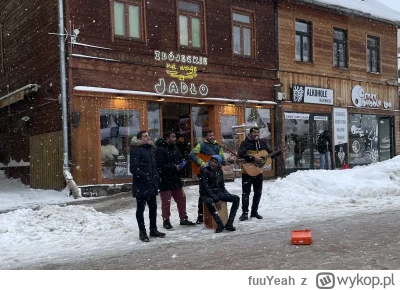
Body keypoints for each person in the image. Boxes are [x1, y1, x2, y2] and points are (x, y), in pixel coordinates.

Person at [155, 131, 196, 230]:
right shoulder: (160, 150)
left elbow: (179, 159)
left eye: (175, 137)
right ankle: (166, 221)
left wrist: (182, 163)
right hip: (164, 180)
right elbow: (159, 166)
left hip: (176, 179)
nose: (175, 139)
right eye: (173, 137)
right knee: (166, 201)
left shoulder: (176, 148)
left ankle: (183, 218)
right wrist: (174, 167)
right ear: (167, 138)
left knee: (181, 198)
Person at [130, 130, 166, 242]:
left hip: (151, 184)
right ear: (140, 139)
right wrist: (145, 176)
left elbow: (153, 166)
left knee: (153, 208)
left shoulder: (150, 149)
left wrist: (156, 177)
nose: (148, 137)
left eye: (148, 136)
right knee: (140, 209)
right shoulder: (136, 150)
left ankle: (153, 229)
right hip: (141, 185)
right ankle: (142, 232)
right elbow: (133, 168)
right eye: (145, 136)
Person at [238, 127, 279, 221]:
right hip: (247, 172)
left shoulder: (262, 143)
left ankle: (254, 212)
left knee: (258, 193)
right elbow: (240, 153)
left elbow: (269, 154)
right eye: (254, 132)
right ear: (250, 133)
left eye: (258, 132)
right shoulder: (245, 143)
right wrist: (253, 158)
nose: (256, 134)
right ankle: (244, 213)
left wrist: (278, 152)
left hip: (258, 171)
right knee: (246, 193)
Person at [188, 129, 225, 224]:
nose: (212, 137)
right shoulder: (201, 145)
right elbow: (191, 154)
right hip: (204, 173)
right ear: (206, 137)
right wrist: (202, 163)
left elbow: (222, 159)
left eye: (213, 135)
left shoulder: (218, 146)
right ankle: (200, 216)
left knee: (216, 191)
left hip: (215, 174)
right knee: (203, 194)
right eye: (210, 136)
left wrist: (224, 161)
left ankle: (216, 215)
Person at [199, 155, 240, 233]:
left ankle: (229, 223)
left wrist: (227, 195)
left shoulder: (219, 171)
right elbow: (205, 188)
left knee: (236, 198)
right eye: (212, 161)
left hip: (218, 192)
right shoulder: (204, 170)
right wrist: (216, 199)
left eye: (215, 162)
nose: (213, 164)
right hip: (206, 194)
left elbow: (222, 186)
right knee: (210, 202)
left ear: (219, 164)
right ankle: (219, 223)